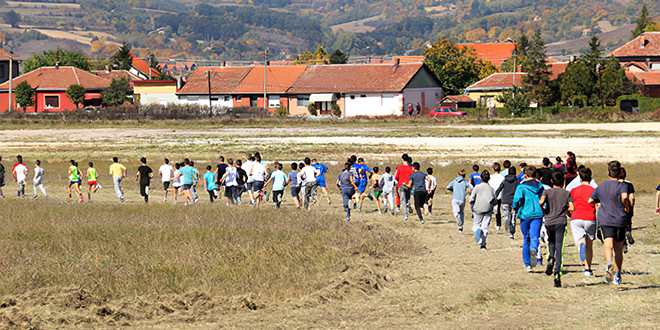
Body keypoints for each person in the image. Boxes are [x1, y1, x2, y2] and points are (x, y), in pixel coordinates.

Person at [588, 161, 629, 285]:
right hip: (620, 218)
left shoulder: (601, 186)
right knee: (618, 248)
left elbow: (590, 199)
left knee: (608, 242)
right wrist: (626, 207)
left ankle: (609, 261)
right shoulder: (622, 185)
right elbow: (625, 197)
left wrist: (600, 203)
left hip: (605, 218)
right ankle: (617, 274)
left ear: (608, 173)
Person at [538, 170, 572, 288]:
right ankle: (557, 272)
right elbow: (571, 207)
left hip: (549, 220)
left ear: (551, 181)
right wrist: (567, 211)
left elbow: (541, 202)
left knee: (550, 242)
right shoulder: (566, 193)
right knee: (560, 247)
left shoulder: (546, 191)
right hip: (560, 221)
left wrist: (544, 210)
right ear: (563, 182)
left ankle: (550, 258)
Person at [514, 165, 545, 272]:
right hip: (537, 213)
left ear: (525, 175)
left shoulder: (521, 187)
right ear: (536, 174)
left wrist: (515, 208)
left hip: (525, 214)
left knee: (526, 237)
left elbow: (516, 200)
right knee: (535, 236)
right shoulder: (540, 186)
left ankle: (527, 263)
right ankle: (534, 249)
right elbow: (543, 199)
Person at [570, 166, 597, 277]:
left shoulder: (573, 190)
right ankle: (588, 268)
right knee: (589, 245)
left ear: (580, 178)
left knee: (579, 240)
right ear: (590, 178)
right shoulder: (594, 191)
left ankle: (580, 246)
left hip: (576, 217)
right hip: (590, 218)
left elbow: (570, 205)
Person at [470, 170, 495, 250]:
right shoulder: (491, 189)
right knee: (485, 226)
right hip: (488, 209)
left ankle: (477, 230)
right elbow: (494, 200)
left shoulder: (477, 187)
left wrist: (473, 206)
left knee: (476, 225)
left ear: (481, 178)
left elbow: (471, 199)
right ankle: (483, 245)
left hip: (478, 208)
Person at [496, 166, 520, 239]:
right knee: (513, 216)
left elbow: (499, 189)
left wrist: (495, 196)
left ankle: (506, 225)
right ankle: (511, 231)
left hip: (505, 200)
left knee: (505, 215)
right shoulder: (517, 181)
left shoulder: (505, 180)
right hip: (513, 201)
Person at [618, 168, 635, 254]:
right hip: (627, 206)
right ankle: (628, 231)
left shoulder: (615, 184)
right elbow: (632, 197)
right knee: (628, 222)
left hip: (618, 207)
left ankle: (624, 245)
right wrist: (631, 206)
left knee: (621, 227)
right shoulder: (629, 184)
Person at [395, 154, 414, 220]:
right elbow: (412, 177)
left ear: (402, 159)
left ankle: (405, 215)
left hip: (401, 185)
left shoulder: (399, 167)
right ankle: (408, 204)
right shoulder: (411, 168)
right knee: (408, 198)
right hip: (408, 185)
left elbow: (396, 177)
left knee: (403, 200)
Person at [489, 162, 505, 230]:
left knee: (491, 210)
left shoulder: (490, 177)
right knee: (498, 210)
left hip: (492, 195)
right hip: (500, 195)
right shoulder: (502, 177)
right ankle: (498, 224)